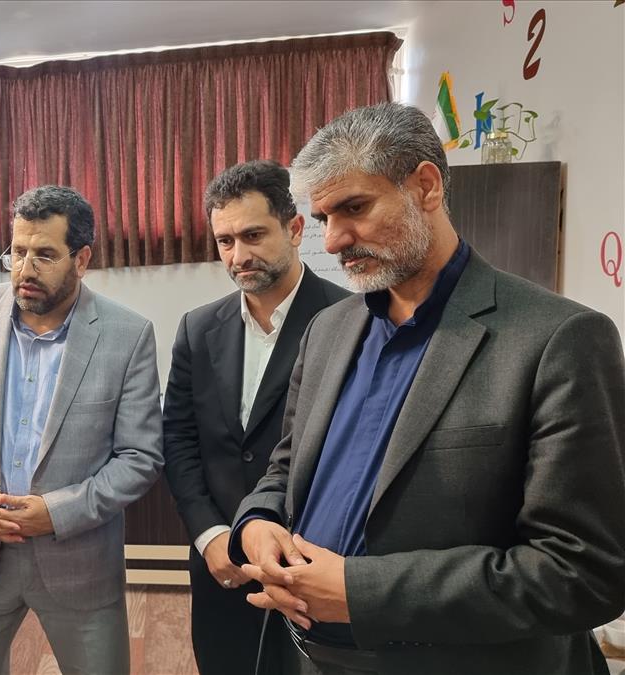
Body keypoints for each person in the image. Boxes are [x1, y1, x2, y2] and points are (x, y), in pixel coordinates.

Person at [229, 102, 625, 675]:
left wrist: (361, 591)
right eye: (323, 218)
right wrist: (258, 522)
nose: (334, 240)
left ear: (426, 186)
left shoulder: (557, 339)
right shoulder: (327, 332)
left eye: (355, 208)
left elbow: (583, 572)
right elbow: (285, 469)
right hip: (306, 655)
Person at [0, 184, 164, 673]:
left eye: (45, 255)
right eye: (17, 252)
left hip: (78, 561)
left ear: (82, 259)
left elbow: (140, 458)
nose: (25, 270)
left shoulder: (127, 335)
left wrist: (55, 513)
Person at [163, 160, 349, 675]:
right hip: (221, 563)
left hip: (311, 564)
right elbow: (177, 438)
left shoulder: (350, 321)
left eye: (253, 235)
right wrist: (209, 535)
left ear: (295, 229)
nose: (238, 256)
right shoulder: (197, 329)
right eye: (225, 241)